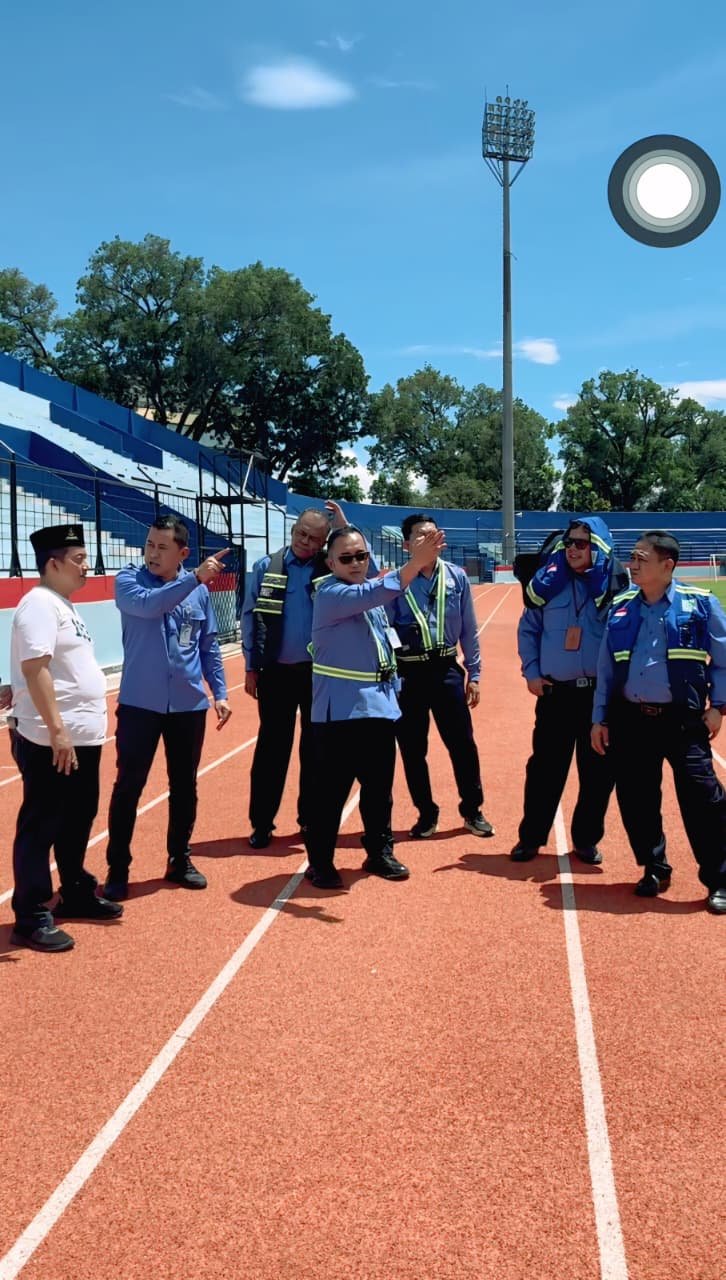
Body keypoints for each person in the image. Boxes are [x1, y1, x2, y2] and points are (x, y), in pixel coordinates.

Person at [304, 522, 446, 888]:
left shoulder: (369, 598)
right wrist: (415, 564)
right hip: (340, 714)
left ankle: (379, 851)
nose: (355, 563)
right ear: (331, 563)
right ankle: (320, 862)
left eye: (361, 556)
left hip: (379, 709)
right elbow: (374, 591)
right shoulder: (331, 594)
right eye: (346, 558)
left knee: (379, 790)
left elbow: (384, 642)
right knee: (331, 794)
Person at [591, 530, 726, 914]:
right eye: (632, 558)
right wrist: (599, 718)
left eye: (640, 558)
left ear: (667, 565)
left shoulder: (699, 604)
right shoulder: (620, 606)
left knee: (704, 799)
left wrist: (719, 705)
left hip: (682, 722)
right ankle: (654, 866)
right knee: (636, 797)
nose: (631, 565)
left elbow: (724, 659)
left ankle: (719, 878)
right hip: (631, 720)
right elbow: (606, 669)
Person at [103, 517, 231, 900]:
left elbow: (208, 645)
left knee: (184, 786)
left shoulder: (200, 593)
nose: (153, 553)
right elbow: (148, 607)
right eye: (149, 545)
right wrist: (193, 579)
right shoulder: (129, 581)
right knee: (129, 786)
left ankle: (179, 858)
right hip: (141, 704)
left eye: (162, 547)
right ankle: (117, 868)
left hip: (189, 704)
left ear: (183, 553)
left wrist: (220, 692)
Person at [9, 524, 122, 952]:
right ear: (52, 563)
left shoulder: (62, 605)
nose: (86, 565)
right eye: (77, 558)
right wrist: (57, 731)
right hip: (50, 740)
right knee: (42, 824)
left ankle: (73, 890)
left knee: (77, 818)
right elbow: (35, 667)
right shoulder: (38, 604)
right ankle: (32, 913)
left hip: (80, 738)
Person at [511, 515, 628, 864]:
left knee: (598, 775)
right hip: (556, 694)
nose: (573, 549)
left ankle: (586, 840)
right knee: (544, 770)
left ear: (599, 548)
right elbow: (528, 630)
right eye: (569, 542)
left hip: (599, 699)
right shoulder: (548, 584)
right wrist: (531, 673)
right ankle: (531, 838)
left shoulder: (616, 589)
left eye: (581, 543)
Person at [242, 502, 355, 849]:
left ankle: (309, 819)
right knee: (271, 751)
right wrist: (250, 666)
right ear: (293, 532)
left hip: (320, 675)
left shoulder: (333, 567)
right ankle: (262, 823)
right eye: (302, 534)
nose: (306, 542)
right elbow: (249, 616)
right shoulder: (265, 567)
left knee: (317, 750)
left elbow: (371, 572)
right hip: (276, 671)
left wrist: (345, 527)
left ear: (324, 543)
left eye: (315, 538)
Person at [387, 514, 494, 840]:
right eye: (421, 535)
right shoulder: (395, 581)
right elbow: (385, 630)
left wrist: (474, 674)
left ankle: (472, 810)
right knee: (412, 747)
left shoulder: (457, 577)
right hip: (408, 671)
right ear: (407, 544)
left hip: (446, 668)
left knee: (462, 744)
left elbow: (469, 629)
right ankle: (426, 812)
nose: (429, 540)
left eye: (433, 534)